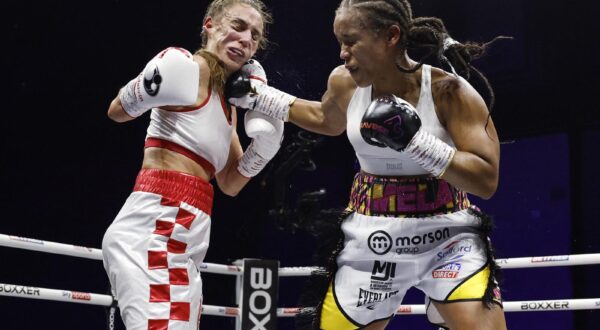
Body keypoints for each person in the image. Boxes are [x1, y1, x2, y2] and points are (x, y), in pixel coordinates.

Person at [228, 0, 508, 329]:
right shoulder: (345, 83)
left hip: (447, 237)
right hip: (372, 235)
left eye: (351, 41)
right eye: (339, 42)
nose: (343, 53)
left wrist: (417, 143)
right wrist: (261, 97)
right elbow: (325, 117)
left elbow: (486, 179)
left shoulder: (450, 92)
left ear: (391, 36)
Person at [101, 1, 283, 329]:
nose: (246, 39)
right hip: (155, 228)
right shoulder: (186, 70)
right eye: (238, 26)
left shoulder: (229, 107)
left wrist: (265, 148)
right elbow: (117, 111)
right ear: (210, 25)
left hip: (186, 239)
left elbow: (229, 182)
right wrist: (150, 83)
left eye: (255, 36)